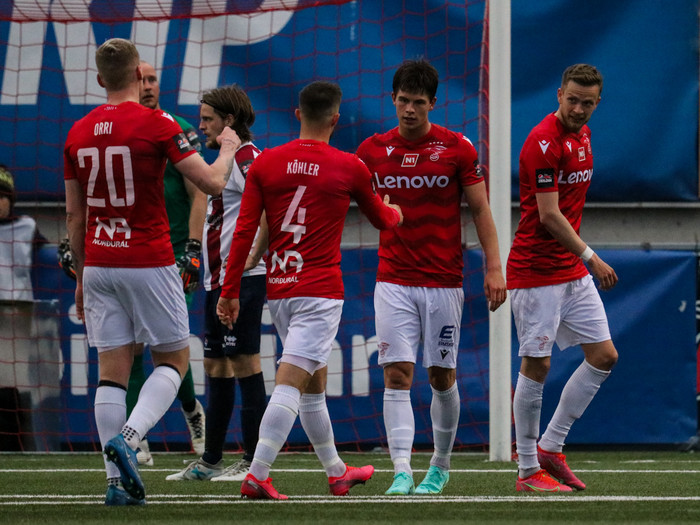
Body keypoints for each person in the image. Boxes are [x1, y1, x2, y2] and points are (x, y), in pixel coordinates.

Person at [63, 37, 240, 506]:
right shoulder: (158, 123)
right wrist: (227, 147)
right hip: (148, 259)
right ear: (138, 76)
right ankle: (129, 436)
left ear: (100, 79)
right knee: (174, 361)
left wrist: (81, 276)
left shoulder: (77, 132)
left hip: (99, 263)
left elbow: (75, 217)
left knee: (111, 373)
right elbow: (212, 182)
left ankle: (114, 485)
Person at [216, 81, 403, 499]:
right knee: (290, 384)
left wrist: (230, 289)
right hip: (319, 293)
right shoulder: (350, 166)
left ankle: (337, 472)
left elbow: (245, 231)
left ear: (298, 114)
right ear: (336, 119)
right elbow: (381, 220)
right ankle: (258, 473)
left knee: (313, 385)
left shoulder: (266, 163)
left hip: (280, 288)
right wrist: (396, 213)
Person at [356, 59, 507, 496]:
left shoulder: (457, 149)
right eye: (403, 101)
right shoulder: (371, 150)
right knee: (397, 374)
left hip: (443, 281)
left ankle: (439, 466)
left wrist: (494, 266)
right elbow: (342, 194)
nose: (409, 110)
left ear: (433, 103)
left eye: (418, 103)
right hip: (393, 279)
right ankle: (402, 470)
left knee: (441, 376)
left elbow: (481, 209)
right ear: (392, 99)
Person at [507, 64, 618, 493]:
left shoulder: (583, 135)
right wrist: (592, 257)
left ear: (597, 103)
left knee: (604, 356)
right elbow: (549, 215)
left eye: (587, 103)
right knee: (537, 364)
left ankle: (551, 446)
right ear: (559, 95)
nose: (578, 109)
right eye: (572, 100)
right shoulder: (542, 142)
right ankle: (527, 470)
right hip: (536, 271)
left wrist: (580, 261)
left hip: (568, 270)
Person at [166, 84, 268, 482]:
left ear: (229, 120)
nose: (202, 126)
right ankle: (211, 461)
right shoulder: (223, 162)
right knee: (215, 365)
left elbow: (268, 210)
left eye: (208, 119)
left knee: (245, 362)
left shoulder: (247, 158)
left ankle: (253, 462)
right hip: (215, 280)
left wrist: (253, 258)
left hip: (241, 280)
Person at [130, 60, 207, 465]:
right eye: (140, 79)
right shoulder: (119, 129)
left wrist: (193, 248)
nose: (147, 86)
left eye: (152, 79)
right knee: (129, 343)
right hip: (130, 252)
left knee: (167, 341)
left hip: (173, 253)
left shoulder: (178, 129)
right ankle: (136, 436)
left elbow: (200, 192)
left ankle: (192, 410)